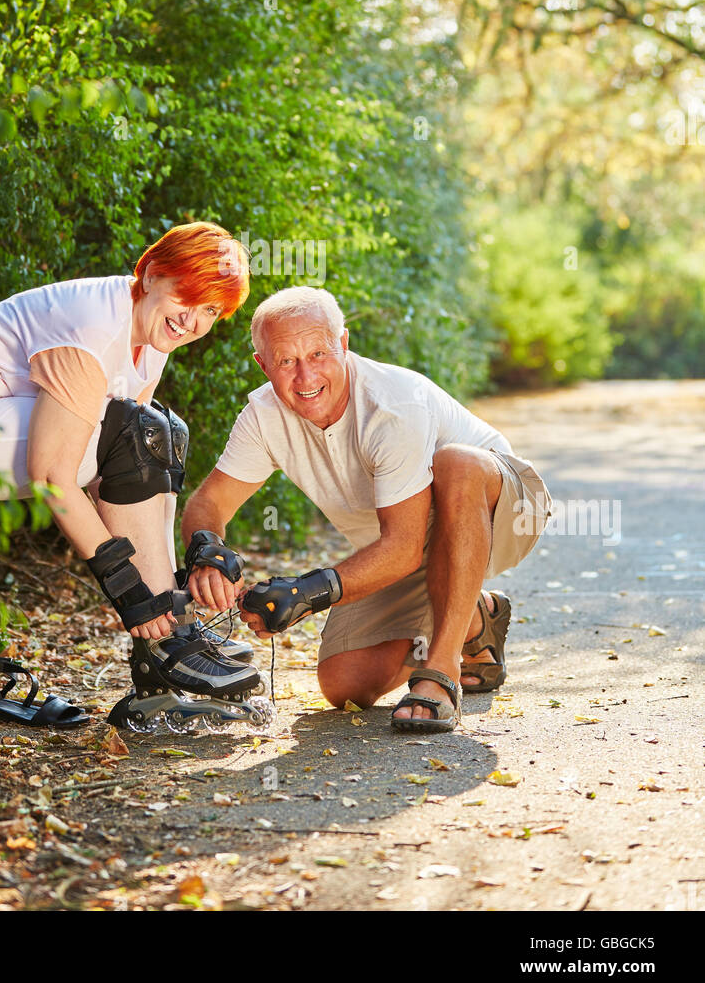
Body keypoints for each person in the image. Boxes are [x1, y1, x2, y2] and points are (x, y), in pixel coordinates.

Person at [0, 222, 272, 732]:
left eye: (211, 311)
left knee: (161, 432)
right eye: (187, 297)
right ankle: (166, 649)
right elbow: (54, 476)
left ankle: (164, 655)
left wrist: (166, 597)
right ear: (150, 275)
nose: (192, 320)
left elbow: (128, 479)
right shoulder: (94, 322)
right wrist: (129, 594)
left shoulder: (151, 343)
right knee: (131, 432)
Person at [180, 285, 552, 734]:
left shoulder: (392, 404)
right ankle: (475, 618)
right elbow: (209, 502)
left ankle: (443, 669)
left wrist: (303, 594)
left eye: (318, 353)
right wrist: (208, 554)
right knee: (344, 685)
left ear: (343, 344)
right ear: (263, 365)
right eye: (286, 361)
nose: (304, 376)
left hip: (501, 512)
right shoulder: (263, 415)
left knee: (457, 462)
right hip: (407, 541)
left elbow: (401, 550)